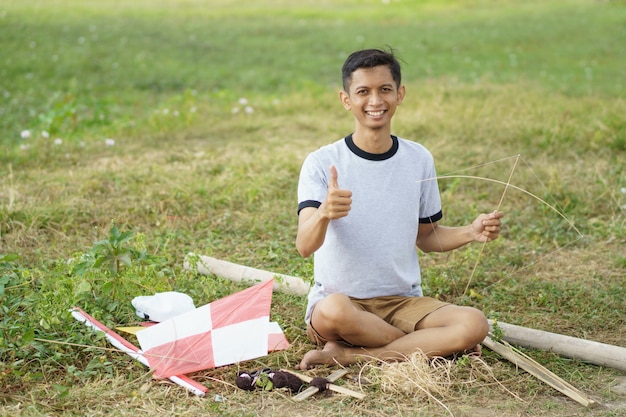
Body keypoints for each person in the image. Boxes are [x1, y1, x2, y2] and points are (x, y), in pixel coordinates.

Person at [295, 48, 504, 370]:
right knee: (333, 310)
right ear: (346, 99)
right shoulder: (321, 162)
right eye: (363, 92)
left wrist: (471, 232)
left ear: (400, 94)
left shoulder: (418, 158)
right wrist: (324, 212)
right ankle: (429, 347)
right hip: (343, 305)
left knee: (474, 324)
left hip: (403, 303)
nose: (375, 101)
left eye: (385, 90)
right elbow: (304, 246)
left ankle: (355, 356)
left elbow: (427, 237)